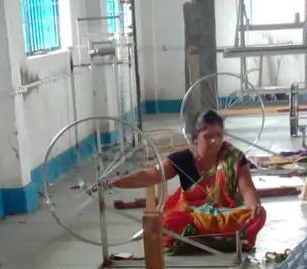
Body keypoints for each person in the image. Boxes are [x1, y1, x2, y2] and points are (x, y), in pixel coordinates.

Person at [110, 109, 266, 254]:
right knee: (170, 223)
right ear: (195, 138)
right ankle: (225, 240)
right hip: (193, 215)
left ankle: (205, 240)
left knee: (255, 216)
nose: (215, 141)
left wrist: (255, 207)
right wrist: (113, 182)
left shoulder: (233, 157)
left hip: (225, 214)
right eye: (208, 136)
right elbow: (153, 174)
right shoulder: (183, 158)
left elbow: (247, 189)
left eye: (219, 135)